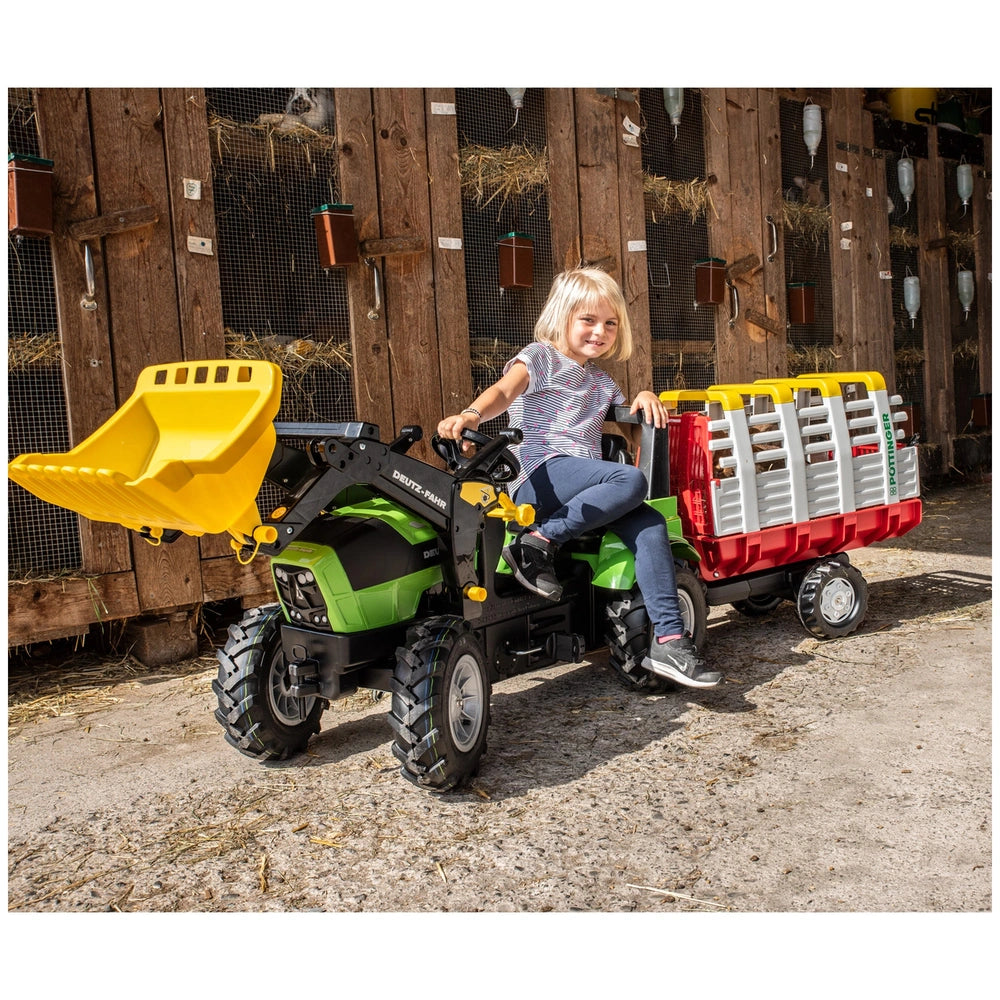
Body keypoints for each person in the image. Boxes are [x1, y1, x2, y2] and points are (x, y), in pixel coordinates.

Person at [437, 267, 721, 689]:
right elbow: (504, 391)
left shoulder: (602, 384)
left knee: (650, 524)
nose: (599, 331)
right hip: (539, 476)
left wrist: (643, 399)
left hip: (583, 489)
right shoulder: (540, 357)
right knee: (630, 481)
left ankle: (669, 640)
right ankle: (537, 542)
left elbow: (631, 432)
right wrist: (472, 414)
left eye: (609, 324)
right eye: (588, 320)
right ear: (563, 315)